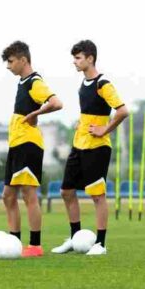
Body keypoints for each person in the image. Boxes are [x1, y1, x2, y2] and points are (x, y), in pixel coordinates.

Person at [52, 40, 128, 256]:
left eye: (78, 58)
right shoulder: (82, 85)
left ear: (90, 58)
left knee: (97, 196)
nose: (74, 62)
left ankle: (101, 244)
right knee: (66, 191)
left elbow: (122, 111)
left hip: (97, 147)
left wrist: (105, 129)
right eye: (74, 58)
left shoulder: (103, 84)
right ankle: (75, 238)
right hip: (79, 144)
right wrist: (81, 122)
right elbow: (90, 111)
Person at [0, 41, 63, 257]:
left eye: (10, 61)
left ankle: (35, 245)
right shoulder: (22, 82)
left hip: (29, 144)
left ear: (23, 60)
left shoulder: (34, 82)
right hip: (16, 144)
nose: (8, 66)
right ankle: (14, 244)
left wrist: (36, 114)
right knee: (8, 196)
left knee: (28, 194)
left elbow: (56, 102)